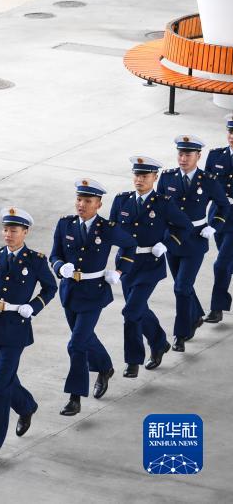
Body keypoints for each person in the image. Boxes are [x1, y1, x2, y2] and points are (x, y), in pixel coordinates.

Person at [0, 207, 57, 457]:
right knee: (6, 378)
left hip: (16, 329)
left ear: (25, 232)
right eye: (5, 229)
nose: (8, 234)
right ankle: (26, 405)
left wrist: (32, 307)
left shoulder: (35, 260)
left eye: (13, 230)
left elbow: (50, 288)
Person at [50, 178, 137, 416]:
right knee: (85, 338)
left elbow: (130, 245)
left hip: (94, 292)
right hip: (70, 291)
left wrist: (120, 271)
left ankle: (75, 397)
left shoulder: (107, 228)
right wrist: (59, 267)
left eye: (88, 201)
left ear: (98, 204)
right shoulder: (65, 225)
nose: (81, 205)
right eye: (79, 199)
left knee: (76, 344)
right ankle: (105, 367)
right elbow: (54, 254)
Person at [109, 156, 191, 377]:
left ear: (155, 178)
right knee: (138, 309)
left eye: (144, 176)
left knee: (131, 311)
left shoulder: (163, 204)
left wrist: (165, 245)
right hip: (126, 265)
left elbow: (184, 226)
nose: (139, 180)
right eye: (137, 175)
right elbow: (111, 231)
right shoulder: (121, 201)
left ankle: (133, 361)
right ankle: (159, 342)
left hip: (150, 265)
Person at [158, 135, 230, 351]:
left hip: (194, 240)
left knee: (181, 287)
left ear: (198, 156)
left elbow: (224, 205)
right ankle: (196, 314)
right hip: (171, 240)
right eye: (180, 154)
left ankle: (180, 334)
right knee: (184, 286)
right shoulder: (167, 178)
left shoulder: (207, 180)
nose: (183, 158)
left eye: (188, 154)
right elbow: (159, 207)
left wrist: (214, 225)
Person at [204, 115, 233, 324]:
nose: (232, 137)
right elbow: (204, 187)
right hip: (218, 217)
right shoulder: (216, 156)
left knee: (221, 264)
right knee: (228, 261)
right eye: (230, 132)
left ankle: (217, 307)